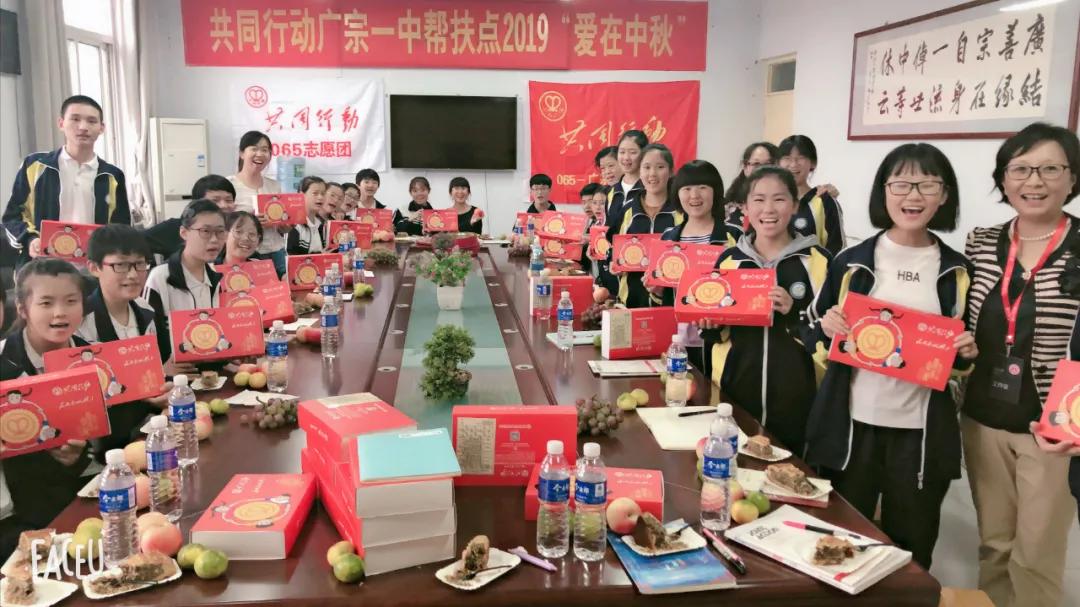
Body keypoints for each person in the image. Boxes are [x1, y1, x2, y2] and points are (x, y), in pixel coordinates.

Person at [805, 143, 977, 570]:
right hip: (852, 427)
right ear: (883, 191)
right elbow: (811, 332)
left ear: (945, 195)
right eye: (900, 184)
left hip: (920, 432)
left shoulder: (957, 270)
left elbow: (961, 358)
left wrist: (965, 354)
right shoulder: (851, 262)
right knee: (843, 541)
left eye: (927, 185)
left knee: (912, 547)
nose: (912, 196)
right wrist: (826, 328)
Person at [960, 122, 1079, 607]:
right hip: (982, 416)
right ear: (1004, 179)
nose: (1035, 181)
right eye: (1022, 169)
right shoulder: (980, 242)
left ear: (1072, 179)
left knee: (1035, 555)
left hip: (1052, 430)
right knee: (994, 544)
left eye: (1050, 169)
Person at [700, 166, 828, 453]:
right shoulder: (729, 260)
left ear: (795, 205)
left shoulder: (819, 261)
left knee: (792, 471)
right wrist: (712, 325)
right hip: (735, 391)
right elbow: (717, 334)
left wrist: (794, 312)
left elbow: (831, 335)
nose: (768, 209)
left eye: (779, 199)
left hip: (799, 397)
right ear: (745, 207)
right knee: (734, 462)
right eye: (758, 200)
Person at [0, 259, 96, 559]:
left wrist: (76, 456)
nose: (60, 312)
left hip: (84, 492)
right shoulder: (4, 362)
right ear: (22, 309)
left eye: (71, 301)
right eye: (46, 303)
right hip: (21, 512)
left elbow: (104, 435)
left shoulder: (92, 356)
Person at [78, 225, 172, 459]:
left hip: (147, 430)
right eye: (120, 265)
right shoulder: (80, 321)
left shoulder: (145, 310)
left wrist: (162, 388)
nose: (133, 274)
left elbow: (157, 370)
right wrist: (140, 395)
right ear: (94, 267)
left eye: (140, 264)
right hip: (102, 445)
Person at [3, 95, 129, 264]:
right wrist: (30, 239)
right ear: (61, 123)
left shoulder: (113, 175)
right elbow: (12, 216)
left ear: (101, 128)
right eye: (75, 119)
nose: (83, 127)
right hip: (40, 266)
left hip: (93, 268)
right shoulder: (35, 166)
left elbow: (121, 228)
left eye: (91, 121)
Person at [607, 143, 683, 308]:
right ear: (639, 171)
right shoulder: (627, 211)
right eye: (646, 167)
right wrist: (614, 263)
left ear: (671, 171)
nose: (652, 174)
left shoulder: (681, 212)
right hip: (629, 305)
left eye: (660, 167)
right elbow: (612, 248)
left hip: (669, 307)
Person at [143, 199, 225, 334]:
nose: (214, 239)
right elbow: (148, 334)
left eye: (220, 231)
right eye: (205, 231)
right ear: (184, 233)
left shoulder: (219, 277)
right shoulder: (160, 278)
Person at [229, 131, 286, 276]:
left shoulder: (274, 186)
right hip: (245, 254)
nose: (260, 154)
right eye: (254, 149)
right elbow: (222, 222)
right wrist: (250, 221)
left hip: (276, 253)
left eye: (265, 150)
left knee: (282, 289)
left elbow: (283, 229)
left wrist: (284, 223)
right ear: (242, 153)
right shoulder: (229, 185)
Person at [778, 135, 845, 256]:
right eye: (787, 158)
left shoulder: (824, 201)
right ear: (778, 163)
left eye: (801, 157)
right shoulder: (768, 201)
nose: (793, 164)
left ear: (813, 163)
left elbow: (837, 250)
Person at [142, 174, 236, 260]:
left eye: (228, 200)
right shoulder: (175, 227)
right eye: (215, 200)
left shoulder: (237, 230)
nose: (224, 205)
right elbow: (137, 241)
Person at [606, 130, 648, 221]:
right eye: (622, 152)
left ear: (644, 154)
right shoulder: (611, 192)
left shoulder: (650, 189)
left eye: (632, 152)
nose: (626, 158)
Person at [287, 176, 326, 255]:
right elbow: (291, 257)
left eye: (323, 194)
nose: (320, 197)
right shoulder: (294, 224)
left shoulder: (322, 224)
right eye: (315, 193)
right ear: (301, 195)